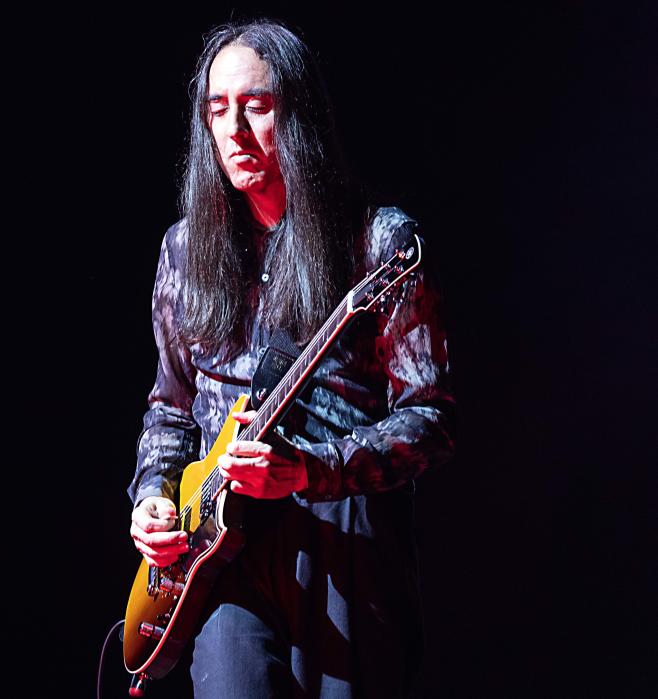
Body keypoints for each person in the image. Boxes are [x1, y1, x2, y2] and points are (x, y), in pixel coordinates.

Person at [127, 20, 455, 698]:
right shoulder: (186, 250)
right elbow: (170, 406)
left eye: (257, 105)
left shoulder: (378, 245)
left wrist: (310, 469)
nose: (235, 130)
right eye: (218, 111)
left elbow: (431, 419)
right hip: (222, 555)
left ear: (298, 110)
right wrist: (156, 497)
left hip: (345, 551)